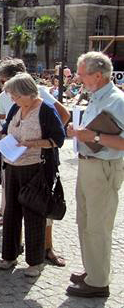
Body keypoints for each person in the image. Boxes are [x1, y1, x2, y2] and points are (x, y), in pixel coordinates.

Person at [0, 58, 70, 266]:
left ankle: (35, 261)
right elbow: (6, 128)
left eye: (16, 95)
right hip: (13, 166)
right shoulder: (15, 107)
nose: (13, 98)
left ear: (28, 92)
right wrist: (3, 141)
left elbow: (58, 138)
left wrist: (34, 143)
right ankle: (9, 256)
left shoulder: (45, 109)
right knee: (11, 212)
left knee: (34, 214)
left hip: (36, 168)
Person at [66, 52, 124, 298]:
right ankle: (93, 269)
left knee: (98, 224)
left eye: (82, 73)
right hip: (88, 165)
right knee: (86, 221)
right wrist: (77, 132)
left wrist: (95, 137)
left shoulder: (117, 100)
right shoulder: (96, 96)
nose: (78, 78)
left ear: (97, 76)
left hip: (103, 167)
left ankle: (99, 282)